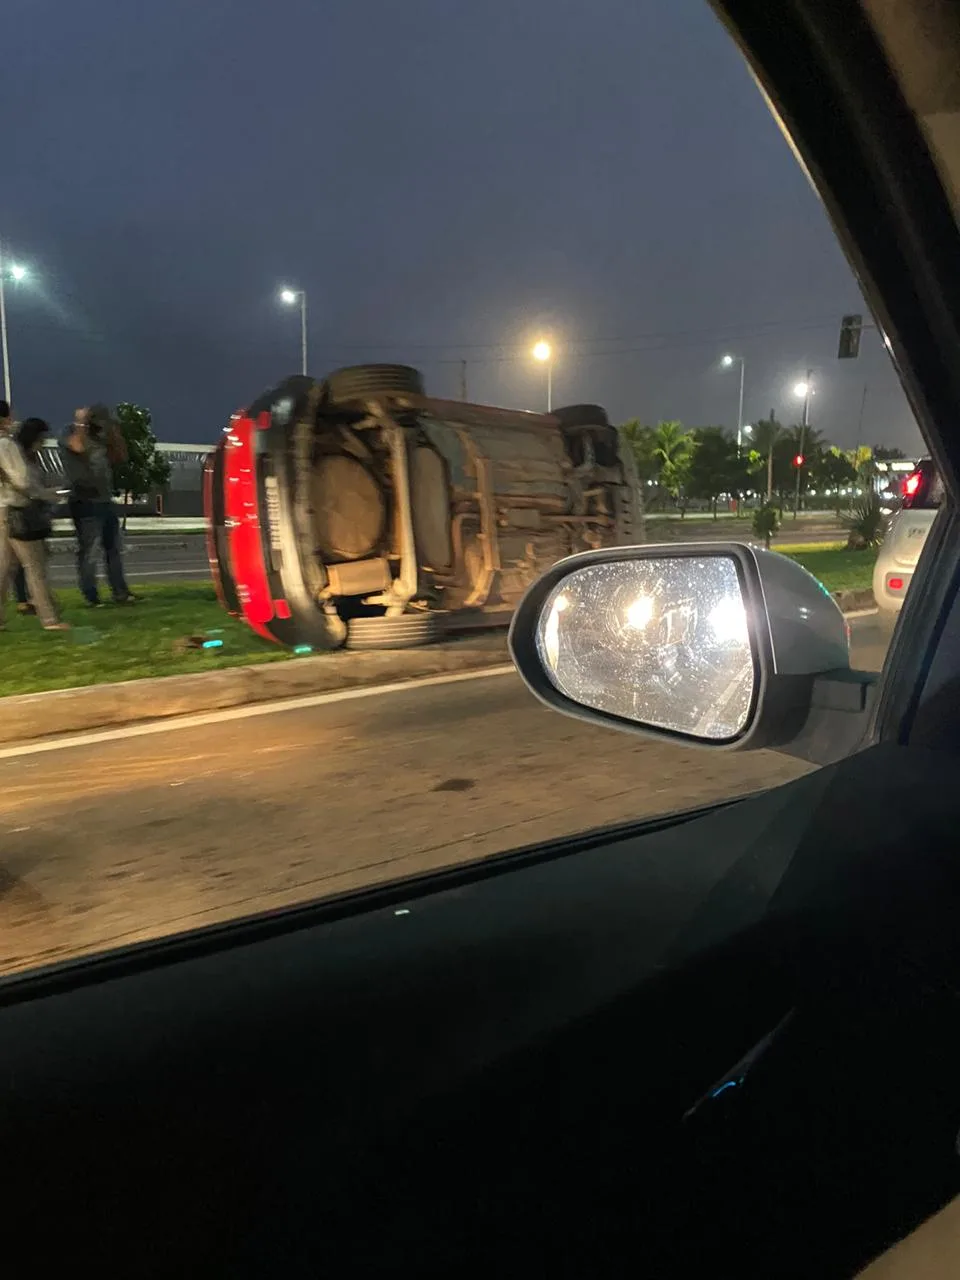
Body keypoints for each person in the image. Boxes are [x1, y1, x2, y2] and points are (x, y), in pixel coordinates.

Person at [60, 404, 136, 607]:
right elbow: (78, 447)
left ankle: (120, 592)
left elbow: (120, 457)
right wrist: (81, 423)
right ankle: (91, 596)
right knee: (90, 551)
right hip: (84, 502)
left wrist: (114, 431)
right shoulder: (70, 432)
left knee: (113, 549)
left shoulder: (101, 437)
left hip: (104, 500)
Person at [0, 417, 69, 631]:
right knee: (34, 567)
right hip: (17, 511)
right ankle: (50, 619)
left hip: (4, 509)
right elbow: (22, 481)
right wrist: (47, 495)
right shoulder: (6, 445)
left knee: (5, 569)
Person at [0, 399, 31, 614]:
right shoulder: (6, 444)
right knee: (27, 562)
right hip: (8, 505)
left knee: (11, 563)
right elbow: (20, 478)